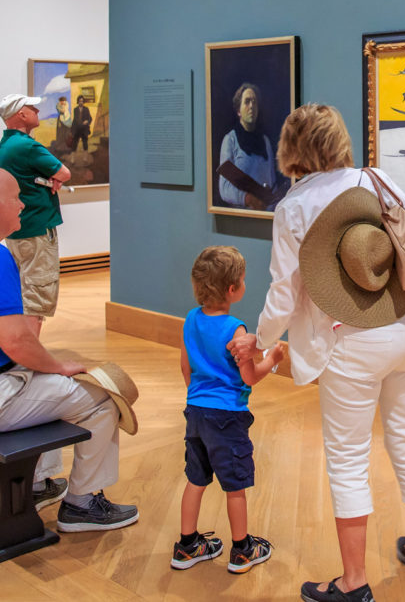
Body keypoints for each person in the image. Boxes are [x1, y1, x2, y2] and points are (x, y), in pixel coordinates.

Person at [230, 104, 405, 602]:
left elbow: (283, 294)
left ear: (292, 149)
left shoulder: (295, 207)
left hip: (352, 342)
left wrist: (257, 343)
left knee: (348, 459)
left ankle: (353, 583)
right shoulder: (378, 180)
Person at [0, 166, 139, 529]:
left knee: (44, 385)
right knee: (103, 399)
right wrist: (59, 366)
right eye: (16, 198)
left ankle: (38, 484)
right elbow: (16, 341)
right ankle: (81, 505)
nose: (22, 205)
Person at [172, 245, 284, 574]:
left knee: (196, 479)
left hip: (196, 411)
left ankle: (188, 544)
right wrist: (272, 360)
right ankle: (242, 549)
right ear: (232, 290)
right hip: (227, 417)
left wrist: (200, 398)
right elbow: (249, 376)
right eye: (244, 280)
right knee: (234, 485)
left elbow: (185, 368)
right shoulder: (236, 329)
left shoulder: (191, 319)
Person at [0, 93, 71, 337]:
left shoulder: (6, 146)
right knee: (36, 296)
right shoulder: (27, 146)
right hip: (37, 228)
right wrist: (54, 179)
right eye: (33, 108)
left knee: (24, 290)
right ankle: (29, 356)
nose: (38, 112)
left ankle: (20, 351)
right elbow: (65, 173)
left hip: (19, 228)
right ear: (21, 114)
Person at [217, 83, 279, 210]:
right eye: (247, 102)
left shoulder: (265, 141)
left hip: (265, 216)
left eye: (254, 102)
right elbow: (224, 188)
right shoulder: (230, 140)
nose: (251, 106)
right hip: (241, 219)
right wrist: (248, 199)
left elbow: (272, 183)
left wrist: (272, 207)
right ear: (238, 110)